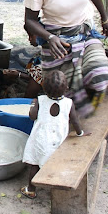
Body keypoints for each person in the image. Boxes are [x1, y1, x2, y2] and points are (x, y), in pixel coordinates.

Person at [21, 70, 90, 199]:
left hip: (40, 140)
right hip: (59, 141)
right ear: (66, 88)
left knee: (35, 165)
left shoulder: (40, 101)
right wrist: (80, 133)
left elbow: (32, 116)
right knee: (57, 165)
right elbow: (75, 121)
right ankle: (57, 191)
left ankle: (31, 189)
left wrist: (32, 106)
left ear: (44, 88)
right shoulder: (69, 103)